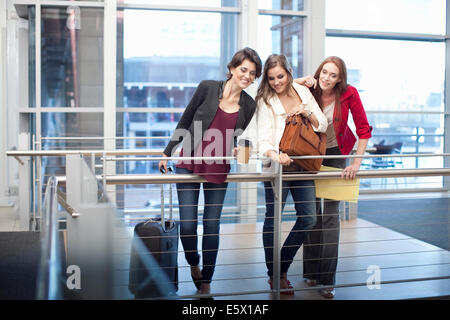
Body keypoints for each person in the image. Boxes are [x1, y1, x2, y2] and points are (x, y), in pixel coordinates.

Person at [159, 47, 262, 297]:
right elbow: (185, 120)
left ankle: (207, 280)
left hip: (219, 167)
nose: (247, 76)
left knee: (212, 224)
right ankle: (194, 263)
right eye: (243, 70)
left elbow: (247, 141)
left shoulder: (249, 105)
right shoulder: (207, 87)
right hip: (189, 163)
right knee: (187, 224)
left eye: (252, 73)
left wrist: (242, 150)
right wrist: (167, 151)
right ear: (231, 68)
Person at [295, 56, 372, 298]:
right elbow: (280, 87)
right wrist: (300, 79)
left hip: (337, 155)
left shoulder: (349, 94)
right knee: (310, 214)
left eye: (333, 75)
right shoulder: (310, 88)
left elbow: (363, 129)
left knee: (329, 216)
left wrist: (356, 163)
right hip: (311, 155)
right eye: (324, 73)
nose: (327, 78)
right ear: (318, 72)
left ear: (340, 79)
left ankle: (327, 280)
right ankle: (310, 273)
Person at [255, 54, 327, 294]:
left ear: (289, 72)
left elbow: (322, 124)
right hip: (278, 166)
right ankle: (275, 275)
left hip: (303, 163)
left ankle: (281, 266)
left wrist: (305, 111)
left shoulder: (301, 91)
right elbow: (263, 137)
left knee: (308, 217)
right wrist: (275, 155)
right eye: (272, 78)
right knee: (273, 219)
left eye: (281, 76)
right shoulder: (265, 100)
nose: (276, 82)